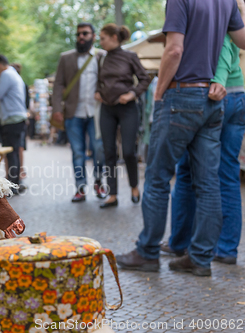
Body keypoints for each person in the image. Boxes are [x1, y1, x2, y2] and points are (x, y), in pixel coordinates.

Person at [117, 0, 245, 277]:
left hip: (181, 94)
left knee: (157, 178)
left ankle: (148, 251)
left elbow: (174, 49)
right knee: (209, 184)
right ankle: (199, 257)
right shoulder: (227, 2)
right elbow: (242, 40)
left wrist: (159, 91)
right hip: (212, 102)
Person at [163, 33, 245, 266]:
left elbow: (220, 46)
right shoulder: (231, 16)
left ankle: (180, 242)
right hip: (238, 94)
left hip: (214, 92)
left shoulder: (208, 12)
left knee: (188, 170)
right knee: (228, 173)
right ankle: (227, 248)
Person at [95, 24, 150, 209]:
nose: (100, 41)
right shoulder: (101, 59)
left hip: (127, 108)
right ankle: (112, 195)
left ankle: (134, 186)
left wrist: (132, 94)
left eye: (103, 38)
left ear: (114, 38)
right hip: (107, 109)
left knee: (128, 151)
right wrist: (97, 92)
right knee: (109, 152)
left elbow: (144, 79)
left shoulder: (130, 56)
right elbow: (99, 81)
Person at [52, 22, 108, 203]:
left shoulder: (102, 56)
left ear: (93, 36)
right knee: (77, 152)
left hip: (97, 112)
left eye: (85, 34)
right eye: (78, 34)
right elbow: (58, 84)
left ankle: (99, 181)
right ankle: (80, 187)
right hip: (73, 112)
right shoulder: (66, 58)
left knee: (99, 149)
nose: (81, 37)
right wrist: (57, 109)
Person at [0, 55, 27, 192]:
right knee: (13, 152)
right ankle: (15, 183)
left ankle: (12, 185)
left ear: (0, 65)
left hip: (12, 119)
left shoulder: (6, 74)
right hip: (15, 118)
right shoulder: (12, 74)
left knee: (11, 152)